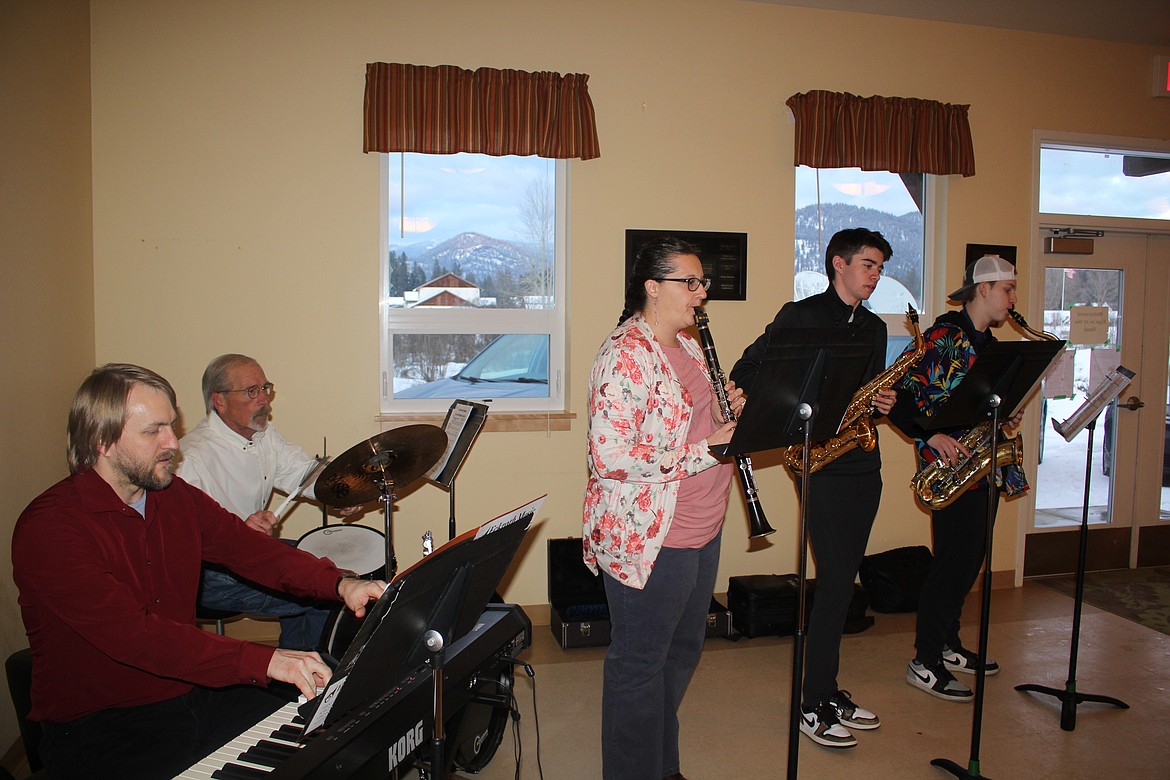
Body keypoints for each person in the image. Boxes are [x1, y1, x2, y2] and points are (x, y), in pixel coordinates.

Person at [11, 364, 386, 779]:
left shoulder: (174, 498)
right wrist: (266, 661)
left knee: (326, 736)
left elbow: (255, 553)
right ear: (103, 441)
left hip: (188, 692)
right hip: (102, 724)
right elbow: (137, 637)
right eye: (154, 431)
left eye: (171, 426)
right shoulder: (50, 528)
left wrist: (340, 582)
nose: (173, 443)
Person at [583, 237, 742, 780]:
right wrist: (708, 449)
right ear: (652, 287)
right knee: (640, 665)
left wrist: (730, 410)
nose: (701, 295)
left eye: (703, 285)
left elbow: (692, 421)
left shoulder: (689, 346)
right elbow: (611, 455)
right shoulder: (626, 354)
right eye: (690, 283)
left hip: (702, 526)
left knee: (679, 656)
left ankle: (660, 764)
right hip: (652, 536)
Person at [730, 227, 895, 748]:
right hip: (818, 461)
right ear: (837, 264)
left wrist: (884, 403)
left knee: (842, 583)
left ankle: (826, 689)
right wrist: (789, 403)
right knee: (837, 581)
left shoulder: (872, 327)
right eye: (868, 264)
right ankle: (812, 702)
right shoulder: (798, 316)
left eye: (879, 267)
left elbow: (866, 389)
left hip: (863, 462)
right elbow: (748, 368)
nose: (875, 275)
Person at [887, 254, 1025, 701]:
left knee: (969, 562)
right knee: (951, 566)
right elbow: (896, 398)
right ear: (983, 289)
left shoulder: (989, 345)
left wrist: (1007, 417)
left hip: (984, 467)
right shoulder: (941, 337)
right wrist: (931, 437)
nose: (1013, 298)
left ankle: (948, 644)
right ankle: (924, 660)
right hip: (951, 468)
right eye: (1008, 289)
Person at [178, 354, 355, 651]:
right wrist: (240, 533)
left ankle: (301, 668)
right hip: (207, 575)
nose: (264, 400)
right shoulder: (191, 458)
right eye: (251, 391)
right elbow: (184, 544)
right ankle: (307, 677)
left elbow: (302, 473)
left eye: (265, 388)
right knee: (319, 591)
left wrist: (343, 490)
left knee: (320, 568)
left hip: (251, 555)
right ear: (219, 401)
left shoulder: (262, 435)